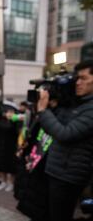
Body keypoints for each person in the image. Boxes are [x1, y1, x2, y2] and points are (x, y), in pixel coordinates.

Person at [37, 60, 93, 221]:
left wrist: (43, 110)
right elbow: (53, 126)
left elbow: (64, 134)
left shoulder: (90, 108)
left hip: (69, 175)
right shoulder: (78, 104)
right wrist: (53, 106)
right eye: (76, 78)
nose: (78, 83)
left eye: (83, 78)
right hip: (57, 170)